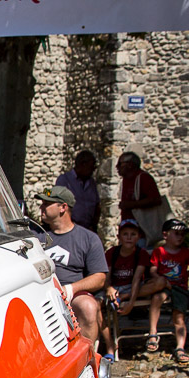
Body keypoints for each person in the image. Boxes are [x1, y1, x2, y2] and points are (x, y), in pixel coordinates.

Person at [35, 184, 108, 347]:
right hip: (38, 292)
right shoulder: (35, 236)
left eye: (47, 204)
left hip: (72, 295)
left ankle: (87, 355)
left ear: (63, 207)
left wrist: (71, 289)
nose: (42, 207)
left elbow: (100, 278)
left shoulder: (88, 238)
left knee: (89, 307)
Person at [99, 218, 167, 359]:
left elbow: (137, 278)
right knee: (96, 304)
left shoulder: (140, 254)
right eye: (125, 234)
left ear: (138, 237)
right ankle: (109, 344)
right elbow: (106, 275)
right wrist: (109, 288)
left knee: (160, 282)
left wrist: (130, 301)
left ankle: (123, 297)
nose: (129, 238)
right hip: (116, 286)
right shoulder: (112, 252)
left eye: (133, 234)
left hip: (132, 288)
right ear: (119, 237)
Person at [147, 218, 189, 364]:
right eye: (176, 233)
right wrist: (159, 278)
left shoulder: (186, 253)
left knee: (179, 316)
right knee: (157, 299)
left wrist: (184, 276)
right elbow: (153, 269)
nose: (180, 237)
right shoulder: (159, 252)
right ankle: (152, 333)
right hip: (164, 285)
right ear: (166, 235)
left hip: (179, 287)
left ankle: (180, 346)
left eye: (182, 234)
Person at [116, 151, 165, 247]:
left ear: (130, 165)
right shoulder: (126, 179)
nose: (117, 167)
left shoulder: (143, 178)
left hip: (142, 233)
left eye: (120, 164)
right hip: (127, 230)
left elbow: (156, 199)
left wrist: (131, 205)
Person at [55, 149, 100, 232]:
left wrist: (94, 224)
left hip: (88, 228)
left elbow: (97, 205)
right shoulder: (65, 180)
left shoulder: (91, 183)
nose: (93, 170)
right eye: (91, 166)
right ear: (83, 164)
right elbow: (59, 203)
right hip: (70, 227)